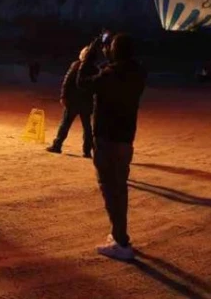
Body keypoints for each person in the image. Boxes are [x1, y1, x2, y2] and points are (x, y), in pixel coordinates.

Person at [77, 33, 146, 262]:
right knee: (120, 188)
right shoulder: (137, 74)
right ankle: (119, 235)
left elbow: (82, 83)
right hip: (126, 140)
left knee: (109, 189)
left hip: (107, 138)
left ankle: (121, 242)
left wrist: (89, 56)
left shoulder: (110, 75)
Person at [46, 47, 94, 157]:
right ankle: (87, 151)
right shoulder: (93, 68)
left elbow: (67, 81)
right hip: (85, 103)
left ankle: (57, 145)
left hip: (74, 101)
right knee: (87, 127)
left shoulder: (76, 65)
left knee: (66, 124)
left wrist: (64, 96)